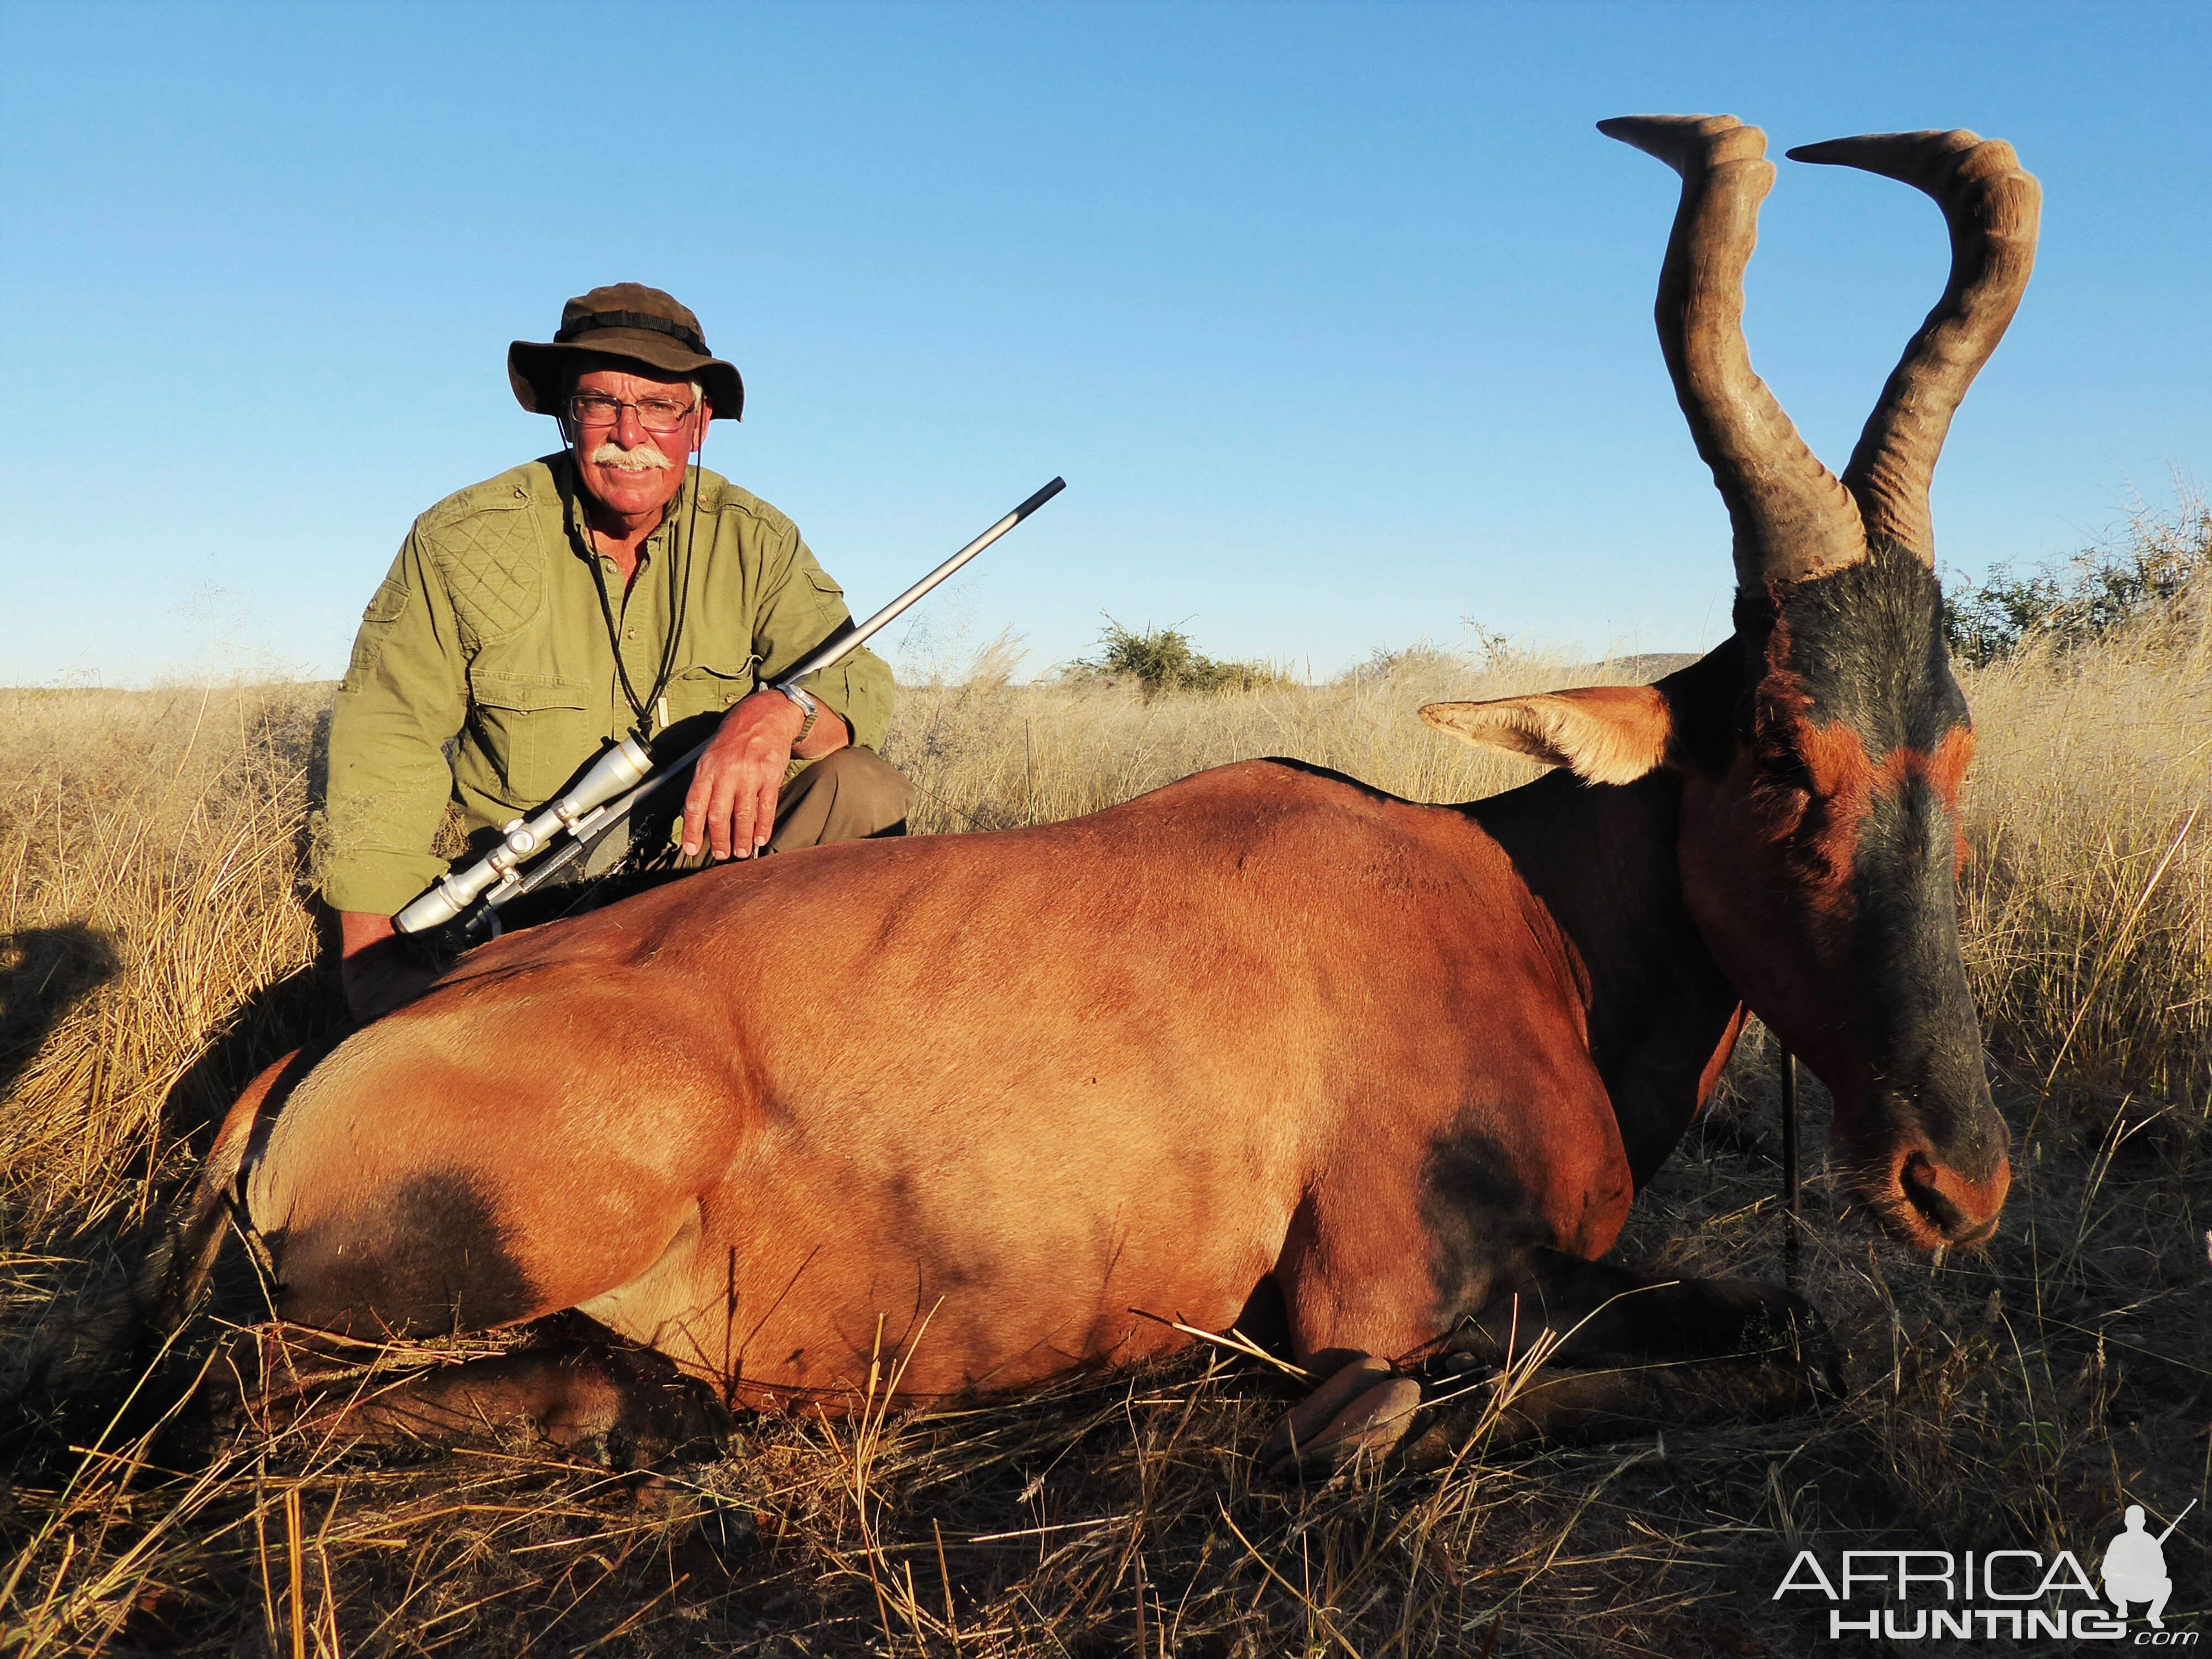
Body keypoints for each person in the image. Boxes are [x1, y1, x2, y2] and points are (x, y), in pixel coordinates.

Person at [319, 284, 912, 1021]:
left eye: (661, 407)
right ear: (569, 416)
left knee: (861, 786)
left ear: (699, 426)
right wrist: (375, 973)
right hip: (548, 900)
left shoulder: (755, 538)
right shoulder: (461, 540)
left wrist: (780, 710)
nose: (629, 433)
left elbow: (858, 681)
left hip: (717, 873)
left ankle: (826, 1023)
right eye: (602, 403)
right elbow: (389, 730)